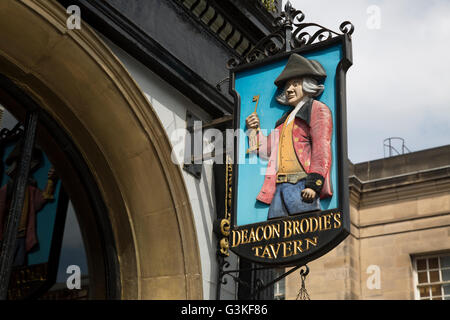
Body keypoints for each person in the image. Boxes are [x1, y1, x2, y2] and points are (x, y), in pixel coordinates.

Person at [246, 53, 333, 220]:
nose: (289, 89)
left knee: (306, 233)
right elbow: (265, 150)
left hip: (301, 186)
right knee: (275, 236)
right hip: (279, 188)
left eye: (295, 84)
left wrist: (313, 184)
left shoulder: (317, 109)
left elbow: (321, 148)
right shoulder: (285, 119)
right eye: (287, 86)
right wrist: (253, 130)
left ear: (307, 85)